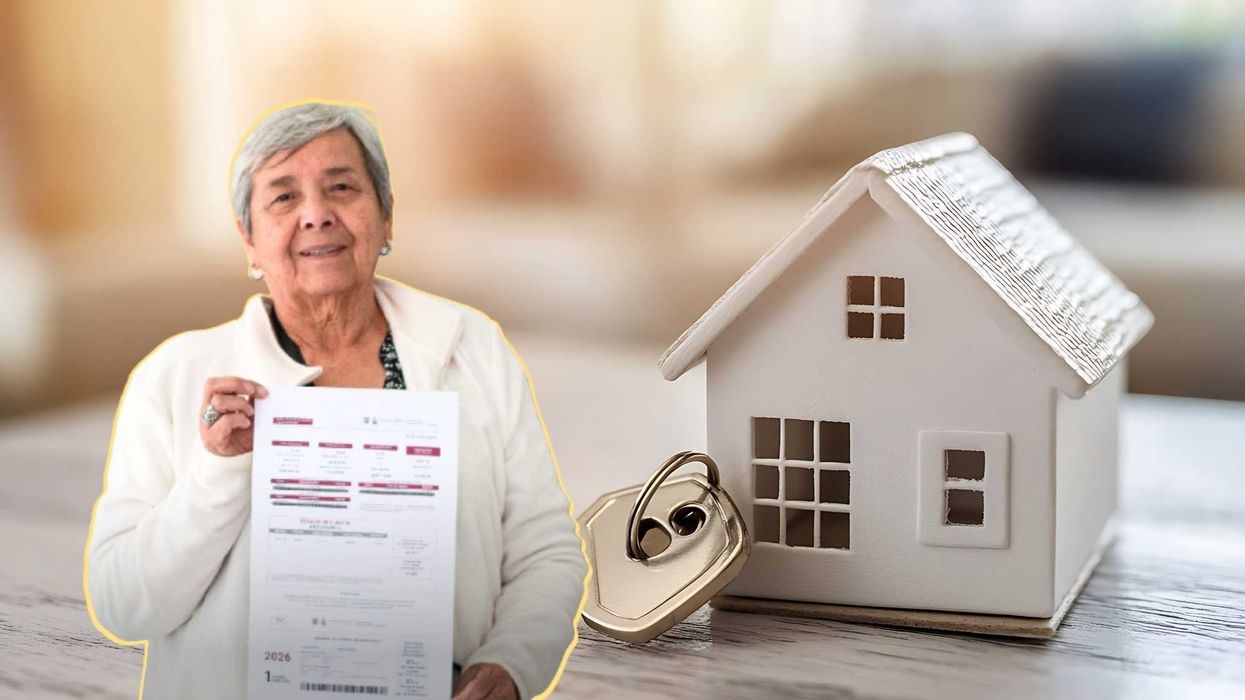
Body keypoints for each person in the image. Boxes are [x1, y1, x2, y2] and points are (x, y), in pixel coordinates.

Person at [85, 102, 588, 700]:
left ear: (387, 216)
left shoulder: (472, 347)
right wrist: (218, 471)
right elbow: (122, 604)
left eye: (342, 187)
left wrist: (510, 666)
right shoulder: (175, 377)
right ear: (248, 240)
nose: (317, 215)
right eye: (283, 197)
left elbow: (546, 552)